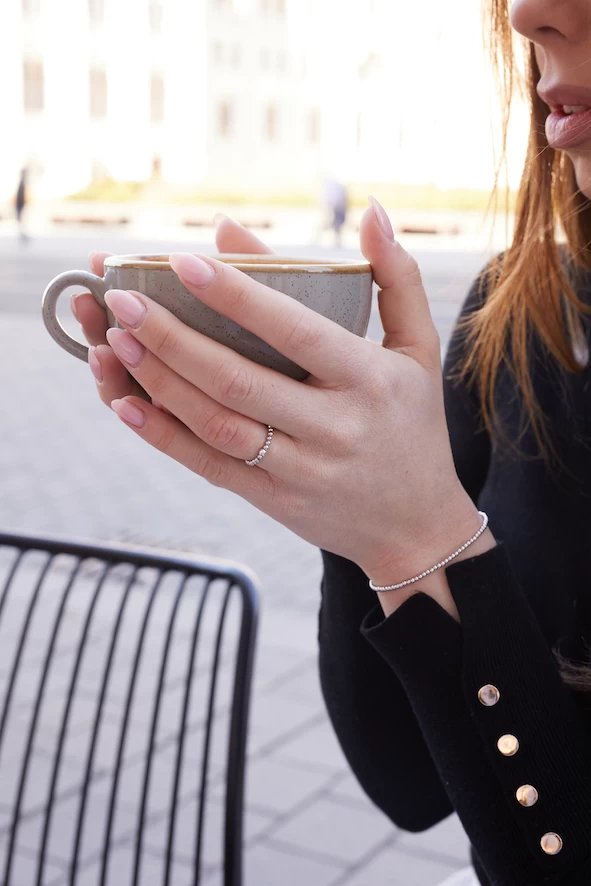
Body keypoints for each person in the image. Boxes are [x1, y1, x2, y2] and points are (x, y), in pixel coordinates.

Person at [69, 0, 591, 883]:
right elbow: (408, 784)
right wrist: (361, 510)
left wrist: (423, 542)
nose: (525, 14)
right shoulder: (523, 312)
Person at [14, 168, 27, 239]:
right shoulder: (21, 184)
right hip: (20, 203)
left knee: (20, 217)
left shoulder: (22, 184)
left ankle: (23, 231)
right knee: (19, 217)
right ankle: (22, 230)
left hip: (20, 203)